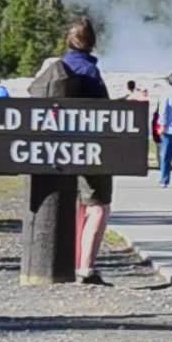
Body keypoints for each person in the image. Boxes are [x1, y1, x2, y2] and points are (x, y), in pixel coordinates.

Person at [30, 16, 116, 285]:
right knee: (98, 206)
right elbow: (102, 112)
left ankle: (76, 261)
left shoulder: (62, 66)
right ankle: (86, 268)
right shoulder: (89, 71)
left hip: (61, 148)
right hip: (89, 148)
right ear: (92, 42)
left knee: (81, 205)